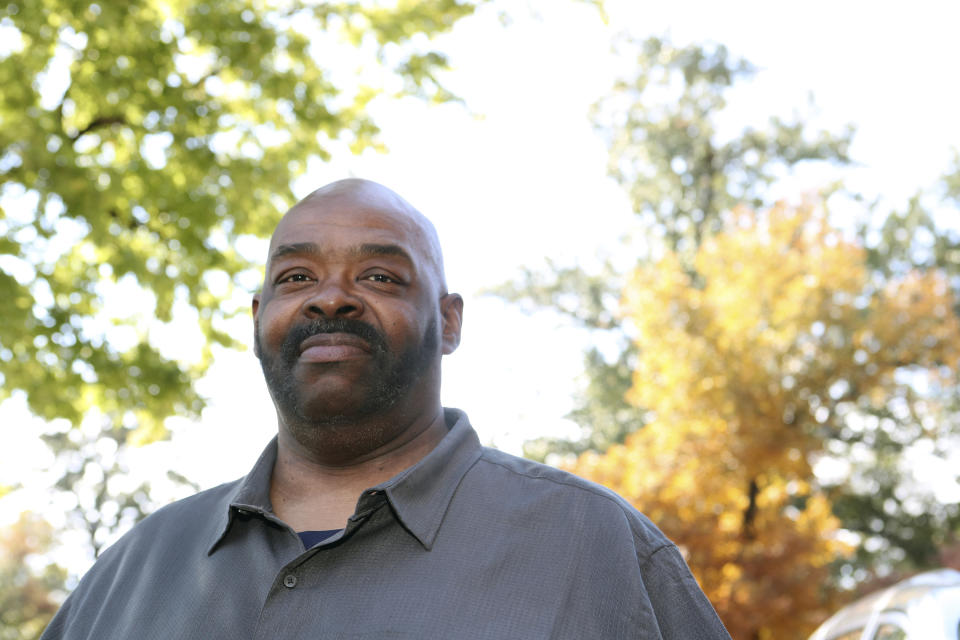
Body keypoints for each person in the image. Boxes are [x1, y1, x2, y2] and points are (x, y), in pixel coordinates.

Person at [41, 179, 731, 639]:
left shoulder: (600, 551)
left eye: (378, 275)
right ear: (259, 320)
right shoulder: (128, 574)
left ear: (448, 321)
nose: (331, 298)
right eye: (296, 277)